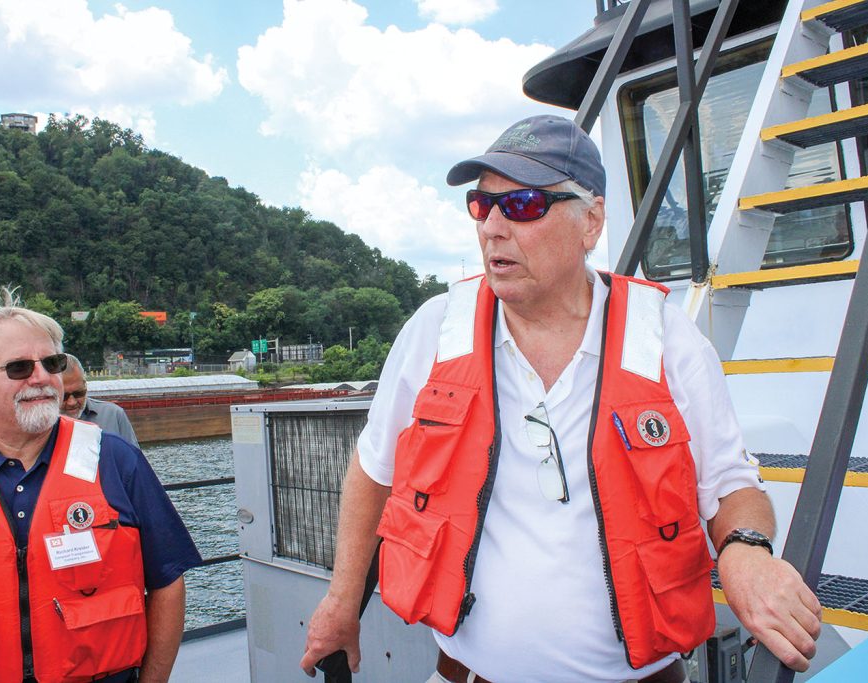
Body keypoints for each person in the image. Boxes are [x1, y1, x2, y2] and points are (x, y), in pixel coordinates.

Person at [300, 116, 822, 683]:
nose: (494, 228)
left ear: (590, 220)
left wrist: (746, 550)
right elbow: (374, 469)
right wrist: (341, 603)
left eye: (522, 205)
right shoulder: (436, 330)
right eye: (482, 205)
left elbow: (730, 484)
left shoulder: (665, 340)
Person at [0, 288, 201, 683]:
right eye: (18, 368)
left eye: (51, 363)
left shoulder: (116, 461)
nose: (41, 378)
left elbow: (168, 582)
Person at [60, 354, 139, 446]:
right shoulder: (41, 426)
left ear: (85, 385)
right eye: (64, 396)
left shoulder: (113, 415)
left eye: (79, 393)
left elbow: (133, 459)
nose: (72, 402)